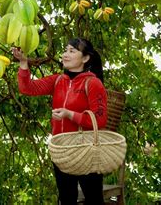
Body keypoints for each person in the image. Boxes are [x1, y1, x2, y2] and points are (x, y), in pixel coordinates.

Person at [12, 38, 108, 205]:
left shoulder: (93, 83)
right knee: (66, 200)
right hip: (62, 152)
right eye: (65, 50)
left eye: (72, 51)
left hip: (86, 152)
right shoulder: (58, 80)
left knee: (94, 200)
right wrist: (23, 62)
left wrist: (69, 114)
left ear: (85, 58)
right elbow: (27, 88)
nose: (65, 54)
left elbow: (99, 120)